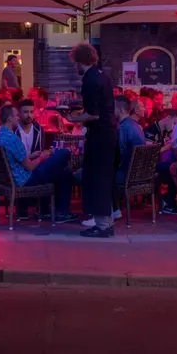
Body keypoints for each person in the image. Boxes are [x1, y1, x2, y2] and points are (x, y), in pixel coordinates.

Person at [65, 43, 117, 237]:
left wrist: (72, 118)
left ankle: (103, 226)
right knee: (103, 179)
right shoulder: (102, 76)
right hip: (109, 134)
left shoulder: (89, 81)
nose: (74, 67)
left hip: (99, 135)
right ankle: (106, 222)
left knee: (95, 179)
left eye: (74, 63)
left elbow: (93, 115)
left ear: (80, 61)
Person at [0, 104, 77, 223]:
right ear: (10, 118)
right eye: (16, 115)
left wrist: (31, 156)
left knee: (64, 172)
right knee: (63, 153)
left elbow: (12, 158)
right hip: (25, 180)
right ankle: (61, 213)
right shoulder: (13, 138)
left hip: (9, 179)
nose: (18, 118)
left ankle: (60, 212)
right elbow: (30, 167)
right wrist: (42, 157)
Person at [114, 95, 146, 187]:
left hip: (127, 174)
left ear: (120, 110)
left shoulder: (123, 127)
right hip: (139, 173)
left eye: (113, 108)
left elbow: (121, 154)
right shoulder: (136, 126)